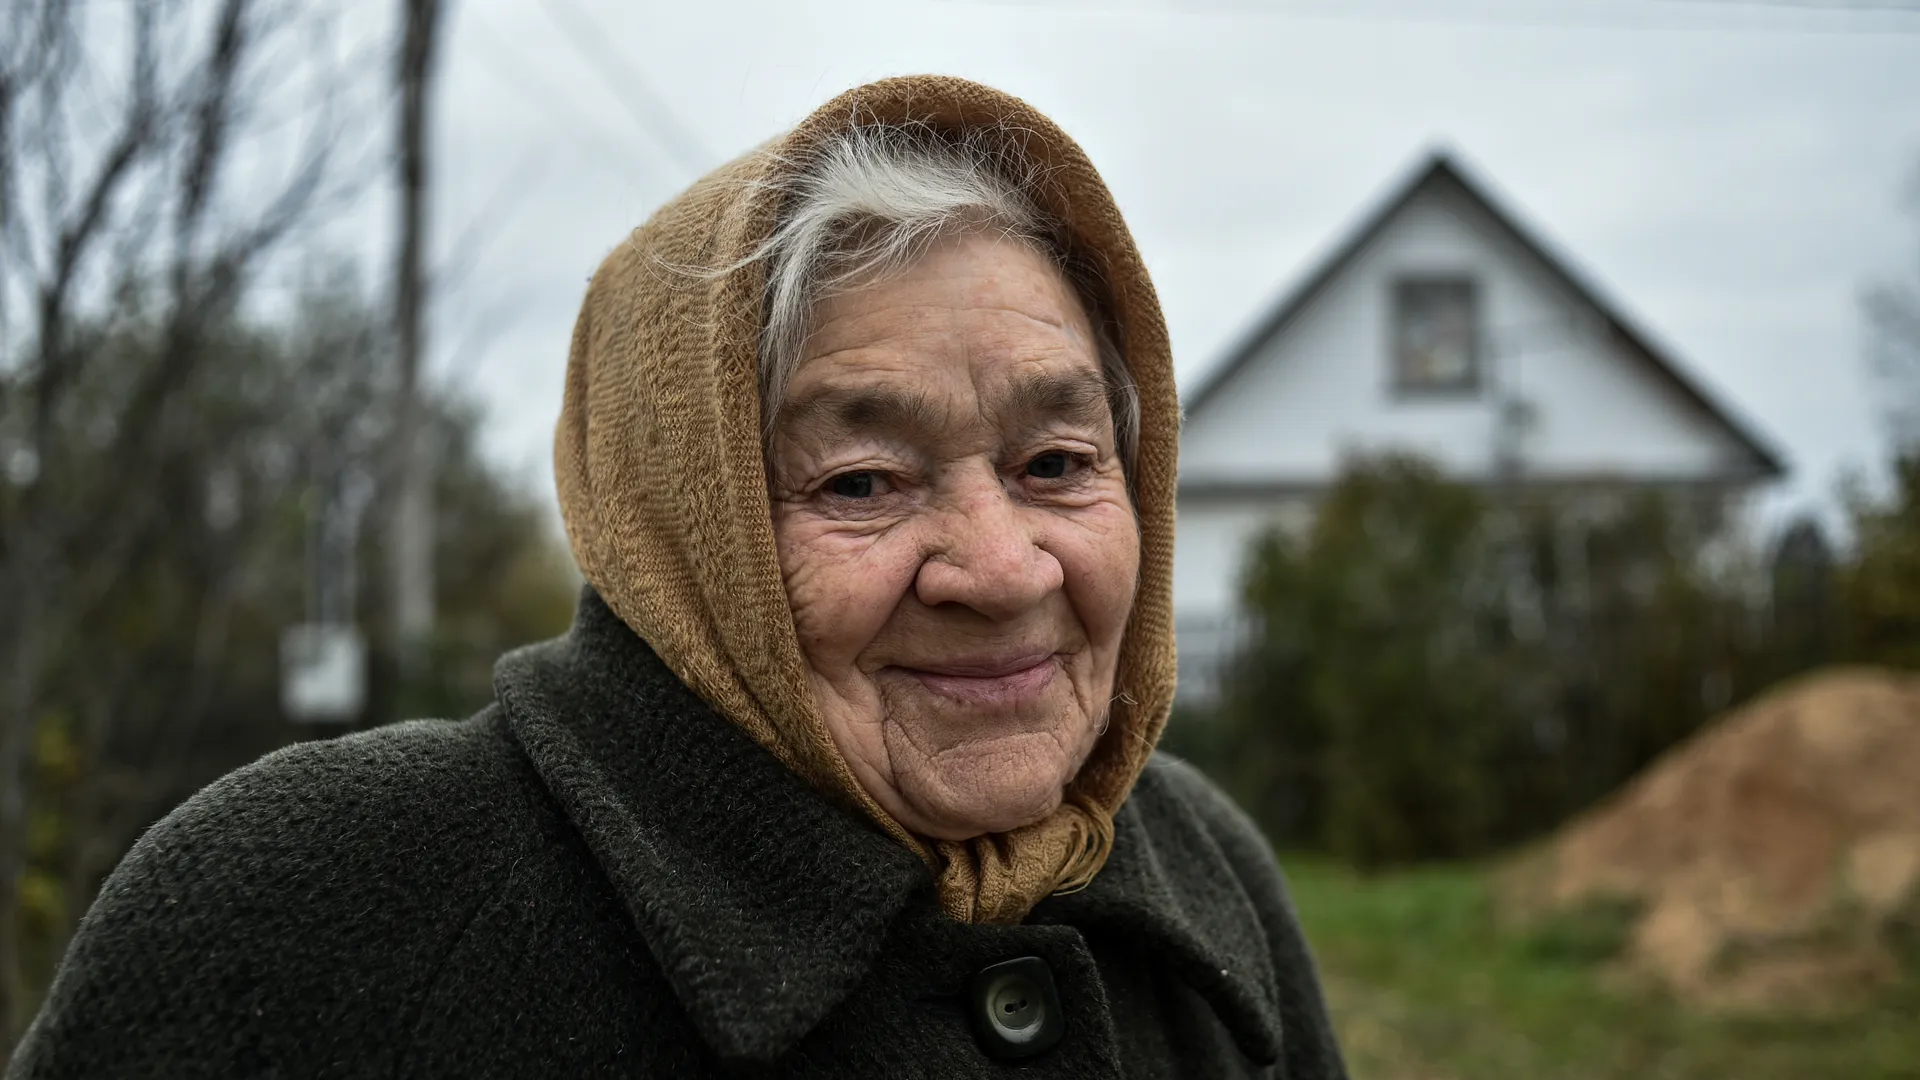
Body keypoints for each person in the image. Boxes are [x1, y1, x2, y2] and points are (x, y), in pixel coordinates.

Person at [9, 76, 1347, 1079]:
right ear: (678, 533)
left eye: (1058, 461)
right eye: (861, 484)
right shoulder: (307, 905)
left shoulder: (1197, 866)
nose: (1002, 570)